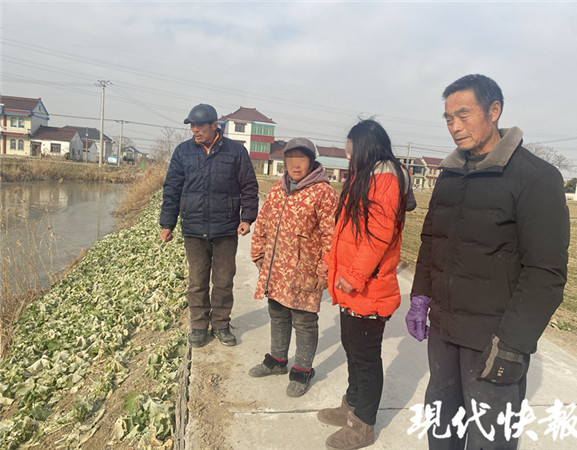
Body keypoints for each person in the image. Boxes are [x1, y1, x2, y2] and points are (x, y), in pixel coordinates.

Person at [406, 74, 570, 449]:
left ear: (494, 111)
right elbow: (431, 240)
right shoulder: (449, 175)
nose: (455, 126)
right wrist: (421, 296)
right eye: (448, 118)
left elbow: (545, 273)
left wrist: (513, 343)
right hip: (444, 332)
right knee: (442, 430)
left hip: (493, 338)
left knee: (489, 438)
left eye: (464, 115)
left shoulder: (535, 178)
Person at [318, 119, 410, 450]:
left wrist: (354, 276)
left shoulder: (385, 179)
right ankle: (352, 405)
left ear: (367, 147)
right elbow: (346, 231)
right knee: (352, 348)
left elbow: (378, 236)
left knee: (366, 358)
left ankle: (363, 426)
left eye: (351, 149)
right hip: (351, 286)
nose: (347, 155)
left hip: (369, 287)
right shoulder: (365, 176)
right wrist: (331, 265)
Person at [159, 103, 258, 348]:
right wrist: (167, 223)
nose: (195, 130)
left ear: (215, 125)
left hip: (225, 228)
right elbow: (172, 189)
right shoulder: (183, 152)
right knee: (197, 281)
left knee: (223, 280)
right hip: (193, 228)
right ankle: (199, 326)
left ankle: (221, 325)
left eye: (200, 126)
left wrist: (246, 218)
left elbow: (249, 187)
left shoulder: (236, 151)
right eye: (192, 126)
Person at [249, 137, 338, 397]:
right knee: (277, 312)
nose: (296, 165)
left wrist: (324, 269)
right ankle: (278, 360)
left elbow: (331, 237)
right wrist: (258, 254)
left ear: (311, 161)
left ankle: (302, 370)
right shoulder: (278, 189)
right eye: (291, 159)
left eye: (302, 159)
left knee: (304, 321)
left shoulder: (323, 193)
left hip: (304, 270)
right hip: (276, 267)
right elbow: (263, 222)